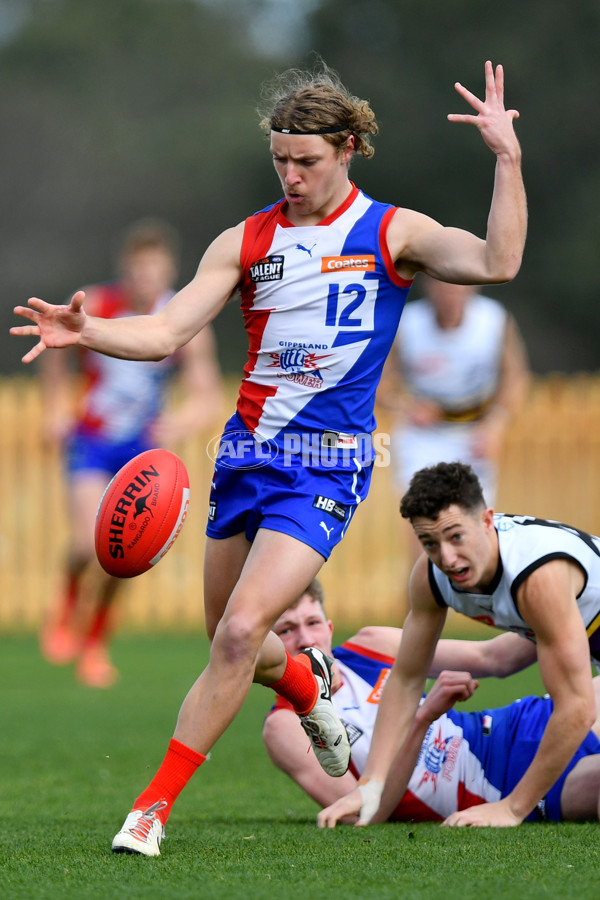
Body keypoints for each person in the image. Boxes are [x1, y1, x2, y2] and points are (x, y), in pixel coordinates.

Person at [11, 58, 526, 856]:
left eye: (307, 161)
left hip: (327, 464)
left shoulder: (393, 232)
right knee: (230, 640)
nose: (291, 175)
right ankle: (309, 683)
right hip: (246, 457)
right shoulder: (245, 240)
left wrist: (507, 159)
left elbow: (499, 262)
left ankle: (150, 810)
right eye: (280, 159)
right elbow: (165, 332)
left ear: (348, 148)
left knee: (242, 629)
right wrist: (90, 334)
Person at [318, 461, 600, 829]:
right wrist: (371, 783)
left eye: (455, 536)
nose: (446, 558)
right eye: (430, 543)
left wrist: (512, 809)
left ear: (487, 520)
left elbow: (577, 707)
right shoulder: (431, 577)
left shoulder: (538, 579)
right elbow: (406, 678)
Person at [39, 218, 224, 688]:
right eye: (140, 269)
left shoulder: (184, 322)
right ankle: (66, 601)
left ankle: (95, 643)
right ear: (128, 268)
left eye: (156, 271)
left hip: (141, 449)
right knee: (86, 545)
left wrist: (179, 423)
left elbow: (207, 397)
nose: (148, 279)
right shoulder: (98, 303)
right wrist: (53, 411)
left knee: (118, 556)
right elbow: (57, 354)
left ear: (169, 272)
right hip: (92, 437)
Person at [266, 584, 600, 824]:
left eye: (312, 623)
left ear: (329, 628)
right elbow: (364, 811)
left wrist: (576, 610)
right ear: (269, 646)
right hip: (503, 785)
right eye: (286, 630)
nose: (307, 640)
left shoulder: (370, 645)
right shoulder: (284, 724)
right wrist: (423, 716)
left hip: (518, 724)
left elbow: (492, 657)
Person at [378, 276, 530, 508]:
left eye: (457, 284)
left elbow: (515, 378)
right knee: (420, 514)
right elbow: (381, 382)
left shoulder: (494, 320)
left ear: (474, 286)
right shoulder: (408, 322)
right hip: (422, 435)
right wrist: (406, 406)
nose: (449, 292)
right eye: (441, 283)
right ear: (428, 286)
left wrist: (496, 424)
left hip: (474, 431)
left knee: (474, 519)